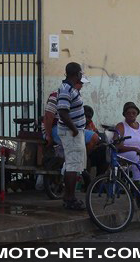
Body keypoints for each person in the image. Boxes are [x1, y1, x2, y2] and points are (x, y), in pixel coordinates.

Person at [56, 62, 88, 210]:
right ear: (77, 74)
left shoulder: (70, 88)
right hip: (71, 133)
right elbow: (63, 112)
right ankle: (70, 198)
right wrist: (74, 129)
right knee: (72, 166)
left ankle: (69, 196)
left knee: (74, 165)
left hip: (75, 132)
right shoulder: (65, 89)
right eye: (80, 73)